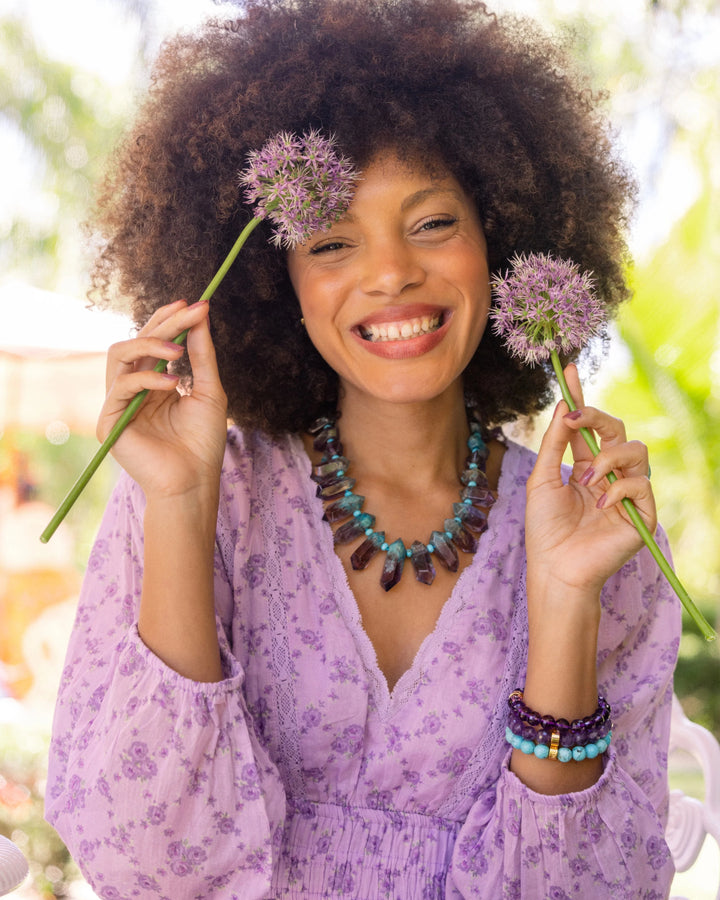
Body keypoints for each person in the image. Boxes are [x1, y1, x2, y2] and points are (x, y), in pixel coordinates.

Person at [45, 0, 681, 896]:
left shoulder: (604, 534)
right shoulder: (204, 494)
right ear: (277, 283)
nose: (390, 273)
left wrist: (568, 597)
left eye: (431, 224)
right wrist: (181, 504)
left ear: (500, 240)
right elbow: (150, 865)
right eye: (333, 240)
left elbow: (589, 886)